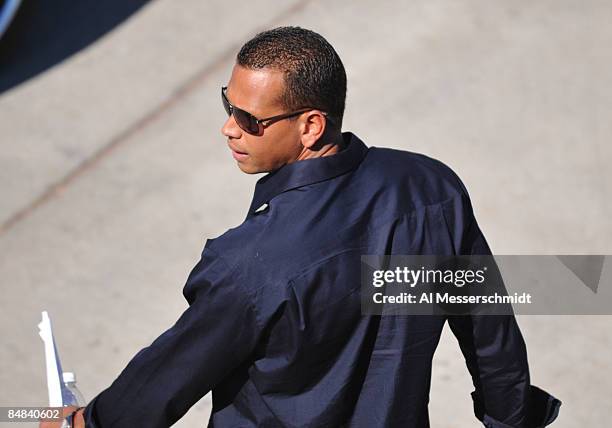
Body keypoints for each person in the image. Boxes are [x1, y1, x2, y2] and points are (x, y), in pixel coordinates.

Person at [44, 26, 560, 428]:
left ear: (311, 125)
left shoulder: (250, 266)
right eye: (229, 104)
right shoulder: (431, 188)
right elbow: (489, 331)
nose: (228, 127)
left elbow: (169, 377)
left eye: (249, 119)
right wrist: (511, 418)